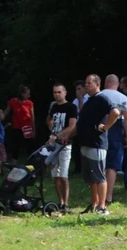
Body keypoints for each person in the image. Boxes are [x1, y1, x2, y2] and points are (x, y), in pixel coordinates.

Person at [56, 74, 120, 216]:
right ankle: (94, 204)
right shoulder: (88, 101)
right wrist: (68, 135)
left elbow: (115, 113)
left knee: (99, 176)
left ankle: (102, 207)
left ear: (98, 84)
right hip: (85, 143)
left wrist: (105, 127)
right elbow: (80, 124)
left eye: (89, 83)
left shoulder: (102, 98)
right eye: (85, 83)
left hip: (97, 144)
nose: (86, 85)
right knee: (91, 178)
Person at [99, 74, 127, 204]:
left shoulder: (98, 95)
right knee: (112, 166)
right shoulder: (122, 97)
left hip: (99, 128)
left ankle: (97, 196)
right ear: (117, 84)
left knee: (99, 163)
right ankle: (108, 196)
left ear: (105, 83)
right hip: (115, 129)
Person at [46, 83, 78, 213]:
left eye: (59, 92)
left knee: (64, 175)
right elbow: (49, 119)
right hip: (53, 145)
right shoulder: (53, 106)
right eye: (55, 92)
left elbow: (72, 126)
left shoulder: (71, 107)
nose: (57, 95)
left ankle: (66, 204)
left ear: (65, 92)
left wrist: (57, 135)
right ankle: (60, 203)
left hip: (65, 144)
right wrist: (51, 131)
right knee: (55, 176)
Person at [4, 85, 36, 164]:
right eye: (27, 94)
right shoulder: (13, 102)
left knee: (29, 147)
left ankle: (30, 166)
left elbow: (32, 117)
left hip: (27, 127)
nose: (29, 96)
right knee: (15, 147)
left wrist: (33, 130)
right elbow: (6, 112)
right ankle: (13, 166)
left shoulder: (29, 103)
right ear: (22, 94)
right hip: (17, 127)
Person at [72, 80, 89, 173]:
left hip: (86, 128)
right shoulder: (75, 100)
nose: (77, 91)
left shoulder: (88, 98)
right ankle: (78, 168)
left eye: (79, 88)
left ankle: (85, 168)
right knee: (77, 148)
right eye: (76, 89)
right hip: (77, 127)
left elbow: (83, 113)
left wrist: (80, 100)